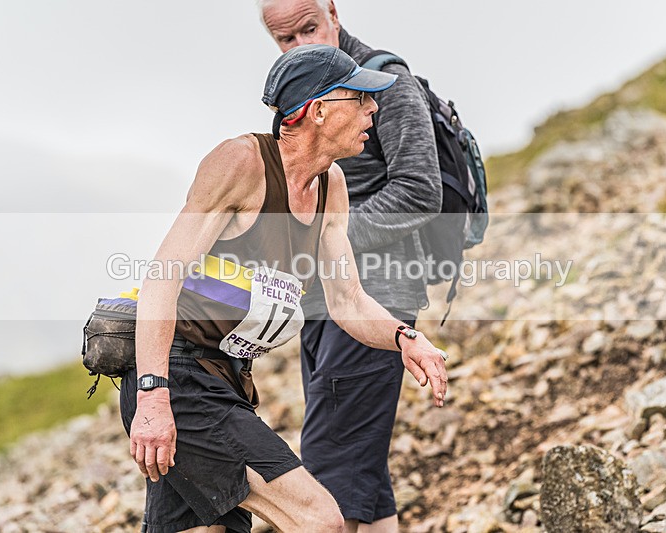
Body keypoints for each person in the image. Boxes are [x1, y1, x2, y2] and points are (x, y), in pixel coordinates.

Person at [120, 44, 448, 533]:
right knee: (319, 519)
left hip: (228, 379)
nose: (373, 109)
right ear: (318, 110)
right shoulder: (241, 163)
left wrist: (406, 338)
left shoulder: (331, 186)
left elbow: (347, 300)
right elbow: (161, 279)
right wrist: (152, 396)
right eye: (360, 98)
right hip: (177, 378)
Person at [259, 1, 443, 530]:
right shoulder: (304, 87)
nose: (302, 45)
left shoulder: (388, 83)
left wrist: (325, 239)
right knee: (362, 473)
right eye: (285, 39)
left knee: (330, 469)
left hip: (378, 294)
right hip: (322, 302)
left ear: (333, 13)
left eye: (310, 28)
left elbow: (420, 191)